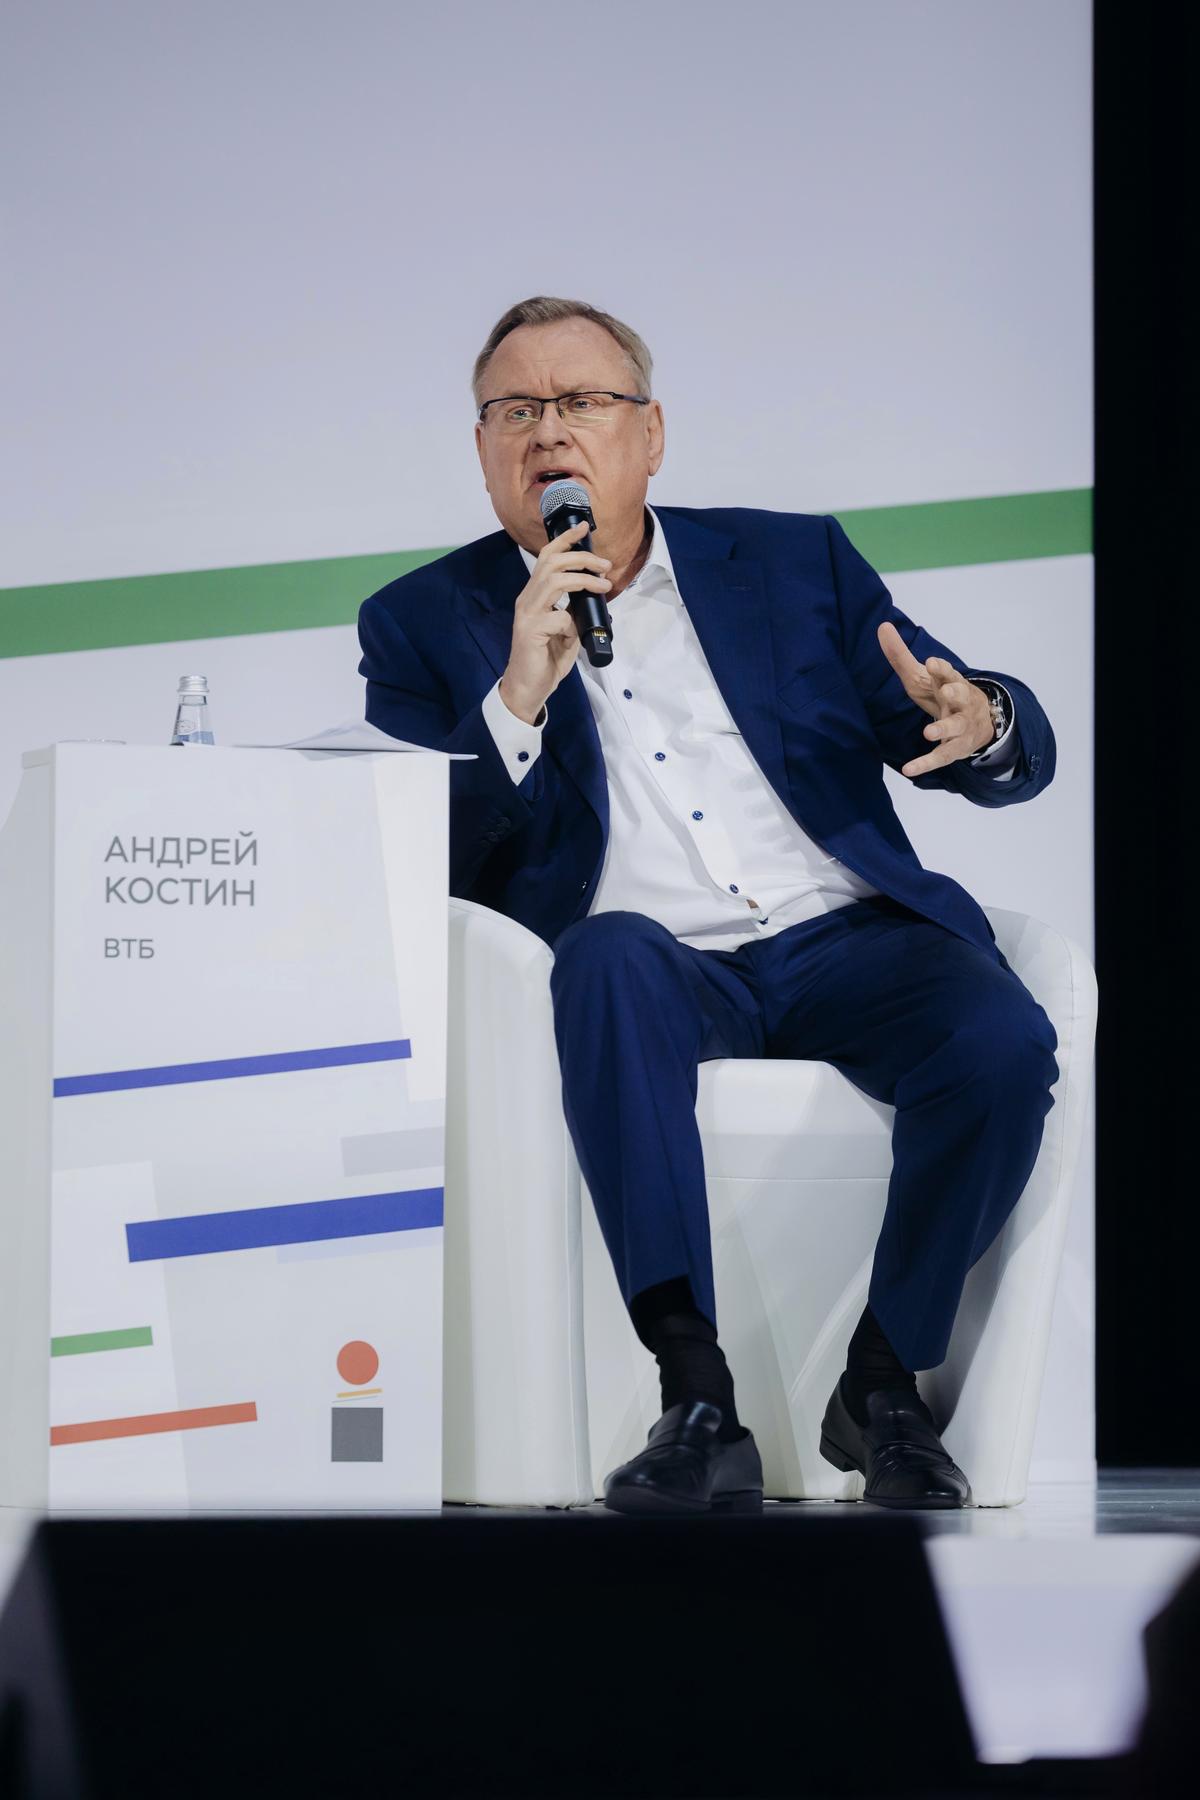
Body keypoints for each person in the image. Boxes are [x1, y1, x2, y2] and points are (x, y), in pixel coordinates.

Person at [358, 296, 1060, 1515]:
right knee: (606, 958)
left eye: (581, 402)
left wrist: (984, 720)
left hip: (843, 936)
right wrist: (515, 699)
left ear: (650, 433)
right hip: (655, 967)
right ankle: (695, 1395)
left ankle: (883, 1383)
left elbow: (944, 712)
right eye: (514, 411)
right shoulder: (424, 621)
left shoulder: (792, 564)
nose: (547, 432)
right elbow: (424, 860)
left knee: (1002, 1037)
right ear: (482, 451)